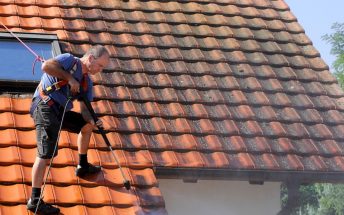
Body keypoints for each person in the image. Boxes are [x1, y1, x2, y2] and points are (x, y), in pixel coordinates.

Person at [26, 45, 110, 214]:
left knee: (87, 126)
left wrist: (93, 120)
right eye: (100, 65)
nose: (100, 70)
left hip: (60, 112)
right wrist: (70, 79)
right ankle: (34, 200)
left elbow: (85, 111)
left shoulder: (88, 83)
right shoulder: (69, 60)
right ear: (91, 58)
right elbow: (46, 67)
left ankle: (83, 165)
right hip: (45, 106)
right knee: (46, 153)